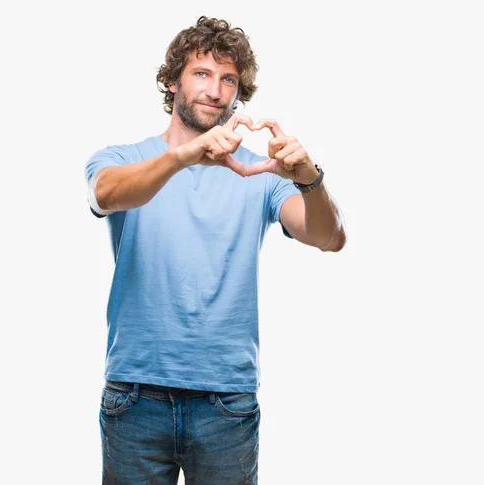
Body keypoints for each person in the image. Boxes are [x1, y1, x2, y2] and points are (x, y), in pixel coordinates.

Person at [84, 15, 346, 485]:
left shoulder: (260, 173)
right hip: (135, 397)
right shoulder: (122, 158)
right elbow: (107, 194)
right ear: (171, 82)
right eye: (201, 74)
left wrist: (309, 178)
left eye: (228, 79)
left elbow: (330, 237)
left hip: (226, 401)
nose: (216, 90)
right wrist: (185, 155)